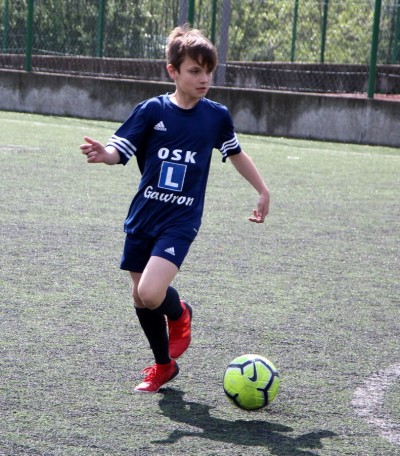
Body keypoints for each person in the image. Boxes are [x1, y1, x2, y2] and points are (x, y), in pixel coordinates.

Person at [80, 25, 270, 393]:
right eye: (194, 71)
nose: (204, 79)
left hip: (181, 220)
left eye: (208, 71)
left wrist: (262, 189)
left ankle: (181, 313)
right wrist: (105, 154)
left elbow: (235, 152)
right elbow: (120, 149)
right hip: (144, 215)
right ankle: (163, 366)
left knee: (152, 293)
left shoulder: (216, 116)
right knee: (140, 296)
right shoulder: (152, 110)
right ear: (173, 71)